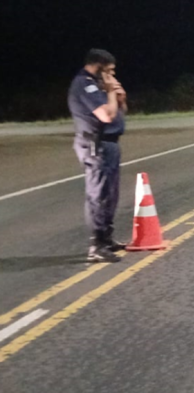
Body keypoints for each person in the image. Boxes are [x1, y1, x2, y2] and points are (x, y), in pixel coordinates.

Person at [67, 49, 128, 262]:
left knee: (111, 193)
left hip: (110, 144)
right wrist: (111, 92)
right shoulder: (85, 84)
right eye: (109, 71)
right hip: (96, 145)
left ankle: (107, 238)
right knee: (99, 195)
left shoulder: (99, 85)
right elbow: (106, 115)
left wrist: (120, 97)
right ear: (99, 66)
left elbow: (119, 112)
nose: (112, 75)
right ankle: (97, 245)